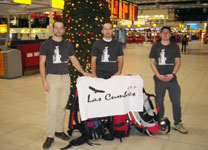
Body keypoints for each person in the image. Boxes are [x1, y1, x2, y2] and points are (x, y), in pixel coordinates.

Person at [40, 20, 90, 149]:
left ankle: (58, 130)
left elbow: (74, 60)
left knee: (62, 107)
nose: (58, 30)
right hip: (52, 78)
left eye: (61, 28)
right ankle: (50, 135)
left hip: (65, 78)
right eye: (56, 28)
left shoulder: (67, 45)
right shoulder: (46, 44)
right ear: (53, 29)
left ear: (64, 30)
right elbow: (41, 63)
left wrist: (83, 72)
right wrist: (44, 81)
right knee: (52, 108)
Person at [149, 26, 188, 134]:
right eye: (163, 32)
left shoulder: (175, 47)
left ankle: (178, 123)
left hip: (172, 80)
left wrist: (172, 74)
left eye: (167, 32)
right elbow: (152, 62)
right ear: (160, 34)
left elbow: (178, 62)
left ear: (170, 35)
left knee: (176, 102)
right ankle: (160, 121)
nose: (165, 34)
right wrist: (158, 75)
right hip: (159, 80)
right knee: (159, 102)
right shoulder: (155, 46)